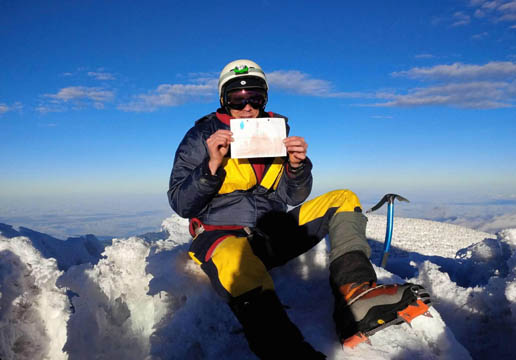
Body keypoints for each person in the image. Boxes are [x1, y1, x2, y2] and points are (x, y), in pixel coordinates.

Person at [168, 59, 428, 359]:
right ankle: (287, 351)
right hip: (220, 236)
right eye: (237, 99)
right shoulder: (202, 136)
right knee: (238, 261)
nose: (248, 106)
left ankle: (356, 295)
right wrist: (211, 165)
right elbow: (180, 203)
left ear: (264, 98)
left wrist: (297, 166)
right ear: (224, 100)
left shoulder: (276, 131)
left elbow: (294, 195)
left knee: (343, 198)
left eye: (255, 97)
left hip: (269, 234)